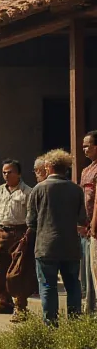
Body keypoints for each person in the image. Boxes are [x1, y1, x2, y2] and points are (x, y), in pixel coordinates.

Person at [28, 149, 86, 325]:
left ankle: (50, 325)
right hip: (70, 246)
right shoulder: (76, 190)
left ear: (49, 166)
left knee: (47, 286)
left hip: (46, 246)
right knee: (73, 285)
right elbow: (82, 219)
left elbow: (31, 221)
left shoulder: (39, 189)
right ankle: (75, 323)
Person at [0, 159, 32, 320]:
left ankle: (20, 307)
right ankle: (3, 301)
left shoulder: (27, 192)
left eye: (10, 172)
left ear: (18, 173)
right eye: (4, 172)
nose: (6, 175)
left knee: (17, 272)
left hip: (18, 233)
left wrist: (27, 237)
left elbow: (31, 218)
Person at [79, 131, 97, 314]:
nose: (84, 149)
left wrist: (93, 223)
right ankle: (89, 310)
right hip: (85, 228)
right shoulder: (86, 170)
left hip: (94, 228)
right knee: (86, 273)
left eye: (87, 145)